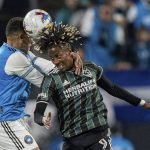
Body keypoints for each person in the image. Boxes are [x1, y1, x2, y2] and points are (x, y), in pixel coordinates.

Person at [34, 22, 150, 150]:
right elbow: (38, 111)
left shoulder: (90, 68)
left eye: (58, 56)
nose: (55, 61)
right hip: (72, 140)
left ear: (71, 52)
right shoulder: (51, 80)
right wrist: (42, 119)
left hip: (98, 135)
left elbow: (113, 89)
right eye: (52, 58)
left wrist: (141, 103)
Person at [0, 17, 82, 150]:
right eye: (30, 36)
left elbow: (47, 66)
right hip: (6, 120)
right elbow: (46, 82)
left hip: (14, 117)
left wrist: (68, 62)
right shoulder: (14, 58)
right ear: (22, 37)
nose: (32, 40)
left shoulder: (16, 53)